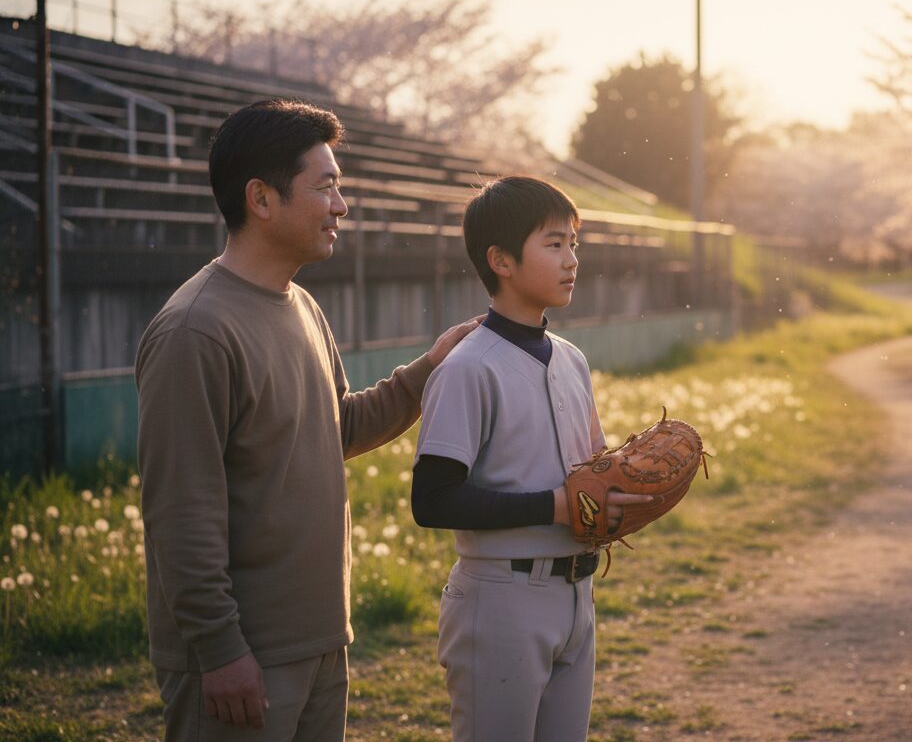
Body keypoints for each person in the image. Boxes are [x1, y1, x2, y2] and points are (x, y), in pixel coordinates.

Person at [136, 98, 479, 741]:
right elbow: (180, 512)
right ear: (262, 199)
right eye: (325, 188)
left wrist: (427, 370)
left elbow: (337, 430)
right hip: (242, 657)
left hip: (321, 639)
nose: (341, 206)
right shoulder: (194, 331)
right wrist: (220, 649)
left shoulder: (301, 305)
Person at [410, 176, 650, 742]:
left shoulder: (572, 359)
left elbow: (590, 475)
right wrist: (557, 506)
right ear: (501, 260)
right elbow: (433, 499)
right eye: (553, 243)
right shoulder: (469, 368)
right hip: (500, 599)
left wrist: (621, 493)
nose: (571, 259)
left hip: (576, 595)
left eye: (574, 243)